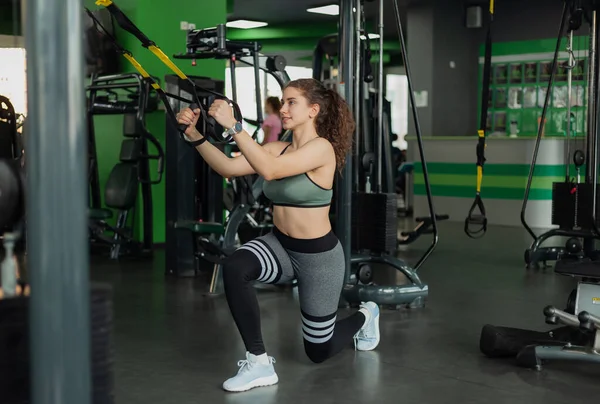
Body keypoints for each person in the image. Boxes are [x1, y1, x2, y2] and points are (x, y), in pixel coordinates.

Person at [176, 78, 381, 393]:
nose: (283, 108)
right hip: (280, 245)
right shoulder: (276, 147)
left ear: (313, 110)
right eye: (282, 102)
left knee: (318, 350)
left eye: (291, 102)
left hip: (318, 258)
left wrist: (234, 127)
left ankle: (365, 316)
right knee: (236, 267)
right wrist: (196, 136)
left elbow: (270, 171)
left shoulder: (322, 149)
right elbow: (229, 169)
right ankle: (258, 362)